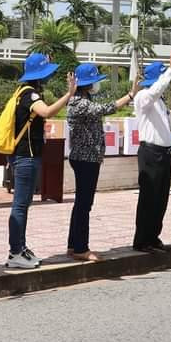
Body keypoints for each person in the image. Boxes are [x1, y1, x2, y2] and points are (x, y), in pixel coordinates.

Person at [7, 53, 77, 269]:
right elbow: (46, 111)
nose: (49, 76)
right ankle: (15, 252)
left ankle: (20, 248)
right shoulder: (30, 95)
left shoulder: (24, 92)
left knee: (23, 204)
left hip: (25, 156)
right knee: (20, 205)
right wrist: (69, 94)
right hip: (25, 157)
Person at [66, 63, 141, 261]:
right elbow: (107, 108)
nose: (96, 85)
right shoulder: (80, 103)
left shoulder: (83, 99)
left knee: (81, 203)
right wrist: (131, 95)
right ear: (88, 84)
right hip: (85, 159)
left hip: (86, 157)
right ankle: (81, 247)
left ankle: (73, 244)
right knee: (84, 204)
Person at [132, 52, 171, 253]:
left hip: (163, 154)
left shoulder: (159, 101)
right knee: (148, 198)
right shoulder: (144, 96)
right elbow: (155, 90)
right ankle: (142, 240)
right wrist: (170, 71)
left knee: (161, 198)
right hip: (150, 153)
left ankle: (153, 237)